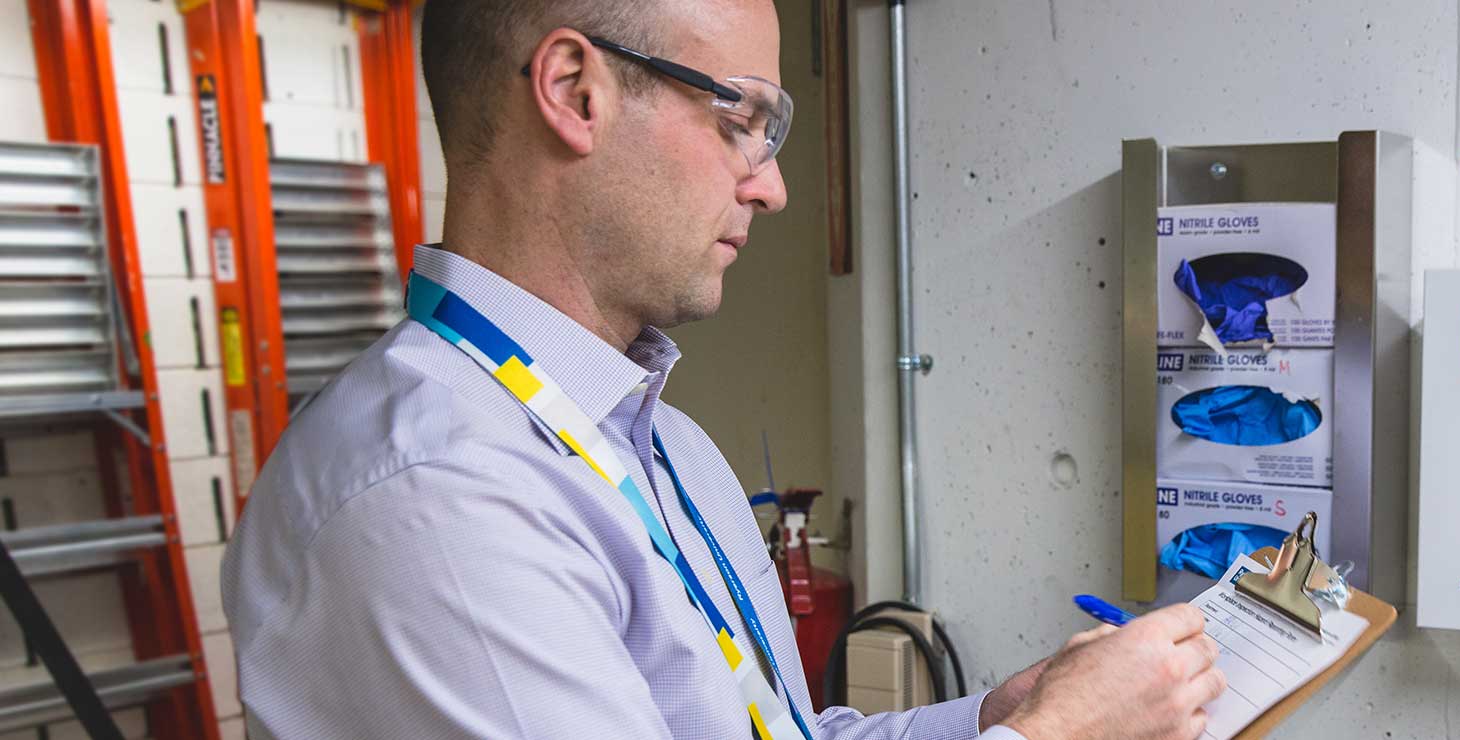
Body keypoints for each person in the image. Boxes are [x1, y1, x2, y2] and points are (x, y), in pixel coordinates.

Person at [219, 1, 1226, 738]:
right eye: (742, 118)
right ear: (577, 91)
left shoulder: (660, 442)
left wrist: (995, 717)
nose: (774, 184)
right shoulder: (437, 499)